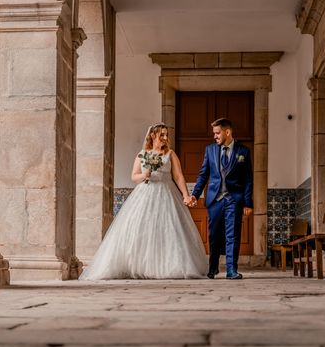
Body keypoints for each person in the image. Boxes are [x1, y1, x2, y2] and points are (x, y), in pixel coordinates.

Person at [79, 123, 207, 280]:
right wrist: (144, 175)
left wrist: (186, 196)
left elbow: (178, 176)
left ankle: (170, 266)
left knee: (169, 228)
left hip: (167, 193)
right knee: (140, 229)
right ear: (153, 136)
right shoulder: (142, 155)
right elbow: (134, 177)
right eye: (162, 135)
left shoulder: (170, 154)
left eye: (167, 135)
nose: (166, 138)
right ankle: (140, 265)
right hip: (144, 194)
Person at [185, 118, 253, 280]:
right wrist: (195, 194)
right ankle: (213, 267)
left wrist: (247, 202)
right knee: (214, 235)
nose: (214, 136)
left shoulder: (243, 151)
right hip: (215, 199)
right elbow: (203, 175)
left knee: (232, 235)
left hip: (234, 199)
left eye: (217, 133)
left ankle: (231, 270)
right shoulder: (210, 150)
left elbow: (248, 179)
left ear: (227, 132)